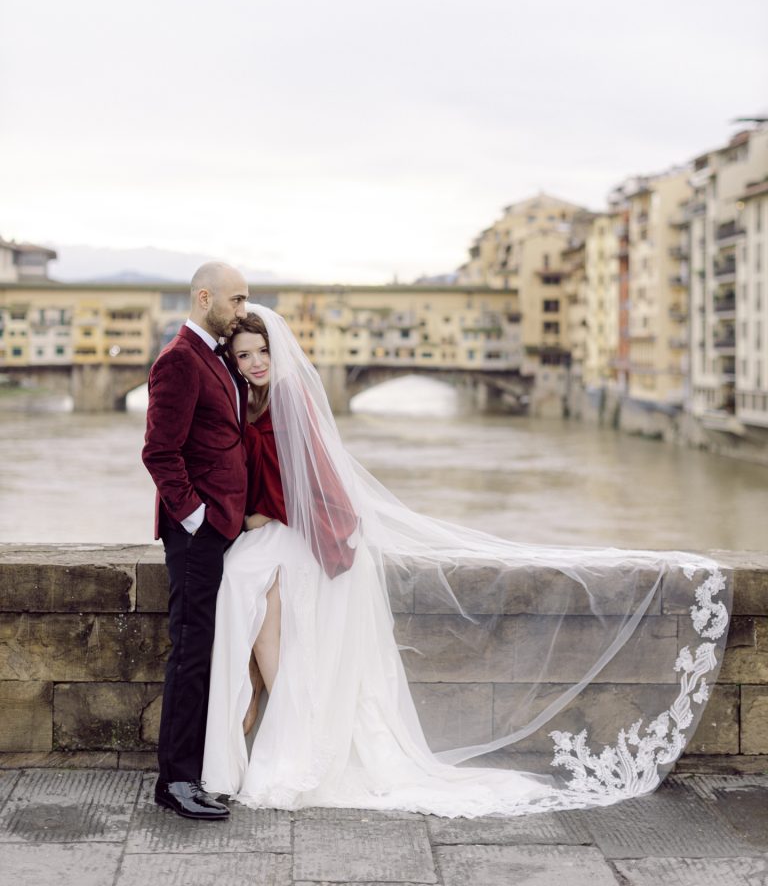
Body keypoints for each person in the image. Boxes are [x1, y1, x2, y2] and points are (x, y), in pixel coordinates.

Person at [202, 303, 732, 817]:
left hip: (304, 534)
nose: (254, 363)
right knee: (252, 593)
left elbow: (314, 483)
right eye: (244, 355)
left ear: (277, 351)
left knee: (256, 590)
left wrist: (267, 517)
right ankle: (282, 724)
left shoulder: (290, 398)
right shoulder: (253, 401)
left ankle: (287, 732)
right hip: (285, 532)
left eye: (261, 351)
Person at [142, 261, 249, 820]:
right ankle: (175, 783)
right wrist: (196, 518)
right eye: (235, 300)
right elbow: (159, 452)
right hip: (198, 535)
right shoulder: (179, 359)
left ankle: (196, 772)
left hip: (226, 526)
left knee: (210, 650)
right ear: (204, 296)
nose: (242, 310)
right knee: (190, 654)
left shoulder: (216, 356)